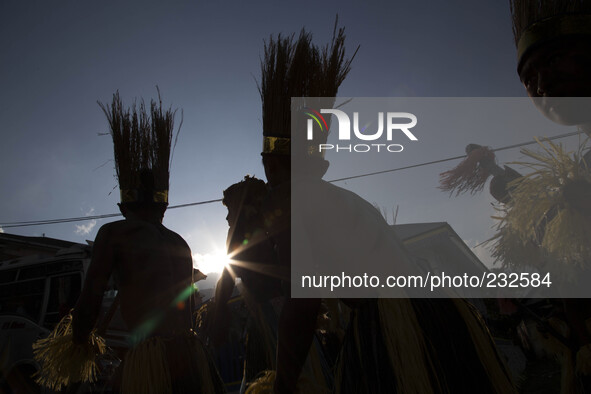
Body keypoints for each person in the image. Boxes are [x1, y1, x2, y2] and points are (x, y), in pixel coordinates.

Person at [34, 92, 224, 394]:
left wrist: (79, 345)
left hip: (153, 359)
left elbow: (89, 302)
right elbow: (187, 305)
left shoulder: (116, 234)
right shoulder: (180, 242)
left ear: (125, 206)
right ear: (163, 207)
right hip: (192, 356)